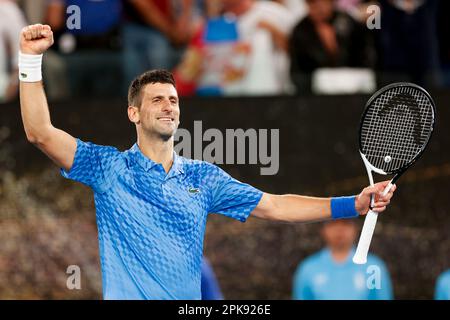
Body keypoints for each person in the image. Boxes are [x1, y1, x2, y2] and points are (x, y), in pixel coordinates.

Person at [18, 23, 396, 299]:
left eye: (173, 100)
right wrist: (30, 61)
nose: (168, 106)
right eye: (156, 100)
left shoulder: (204, 177)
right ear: (133, 114)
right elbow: (40, 132)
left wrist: (355, 204)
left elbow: (276, 206)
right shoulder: (108, 169)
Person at [292, 219, 393, 300]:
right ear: (323, 230)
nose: (339, 229)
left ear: (355, 229)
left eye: (346, 223)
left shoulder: (374, 267)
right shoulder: (308, 268)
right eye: (333, 223)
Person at [288, 0, 374, 93]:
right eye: (313, 4)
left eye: (323, 3)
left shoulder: (348, 22)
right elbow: (297, 69)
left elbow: (364, 54)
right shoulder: (301, 30)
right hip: (316, 93)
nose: (319, 8)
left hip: (353, 87)